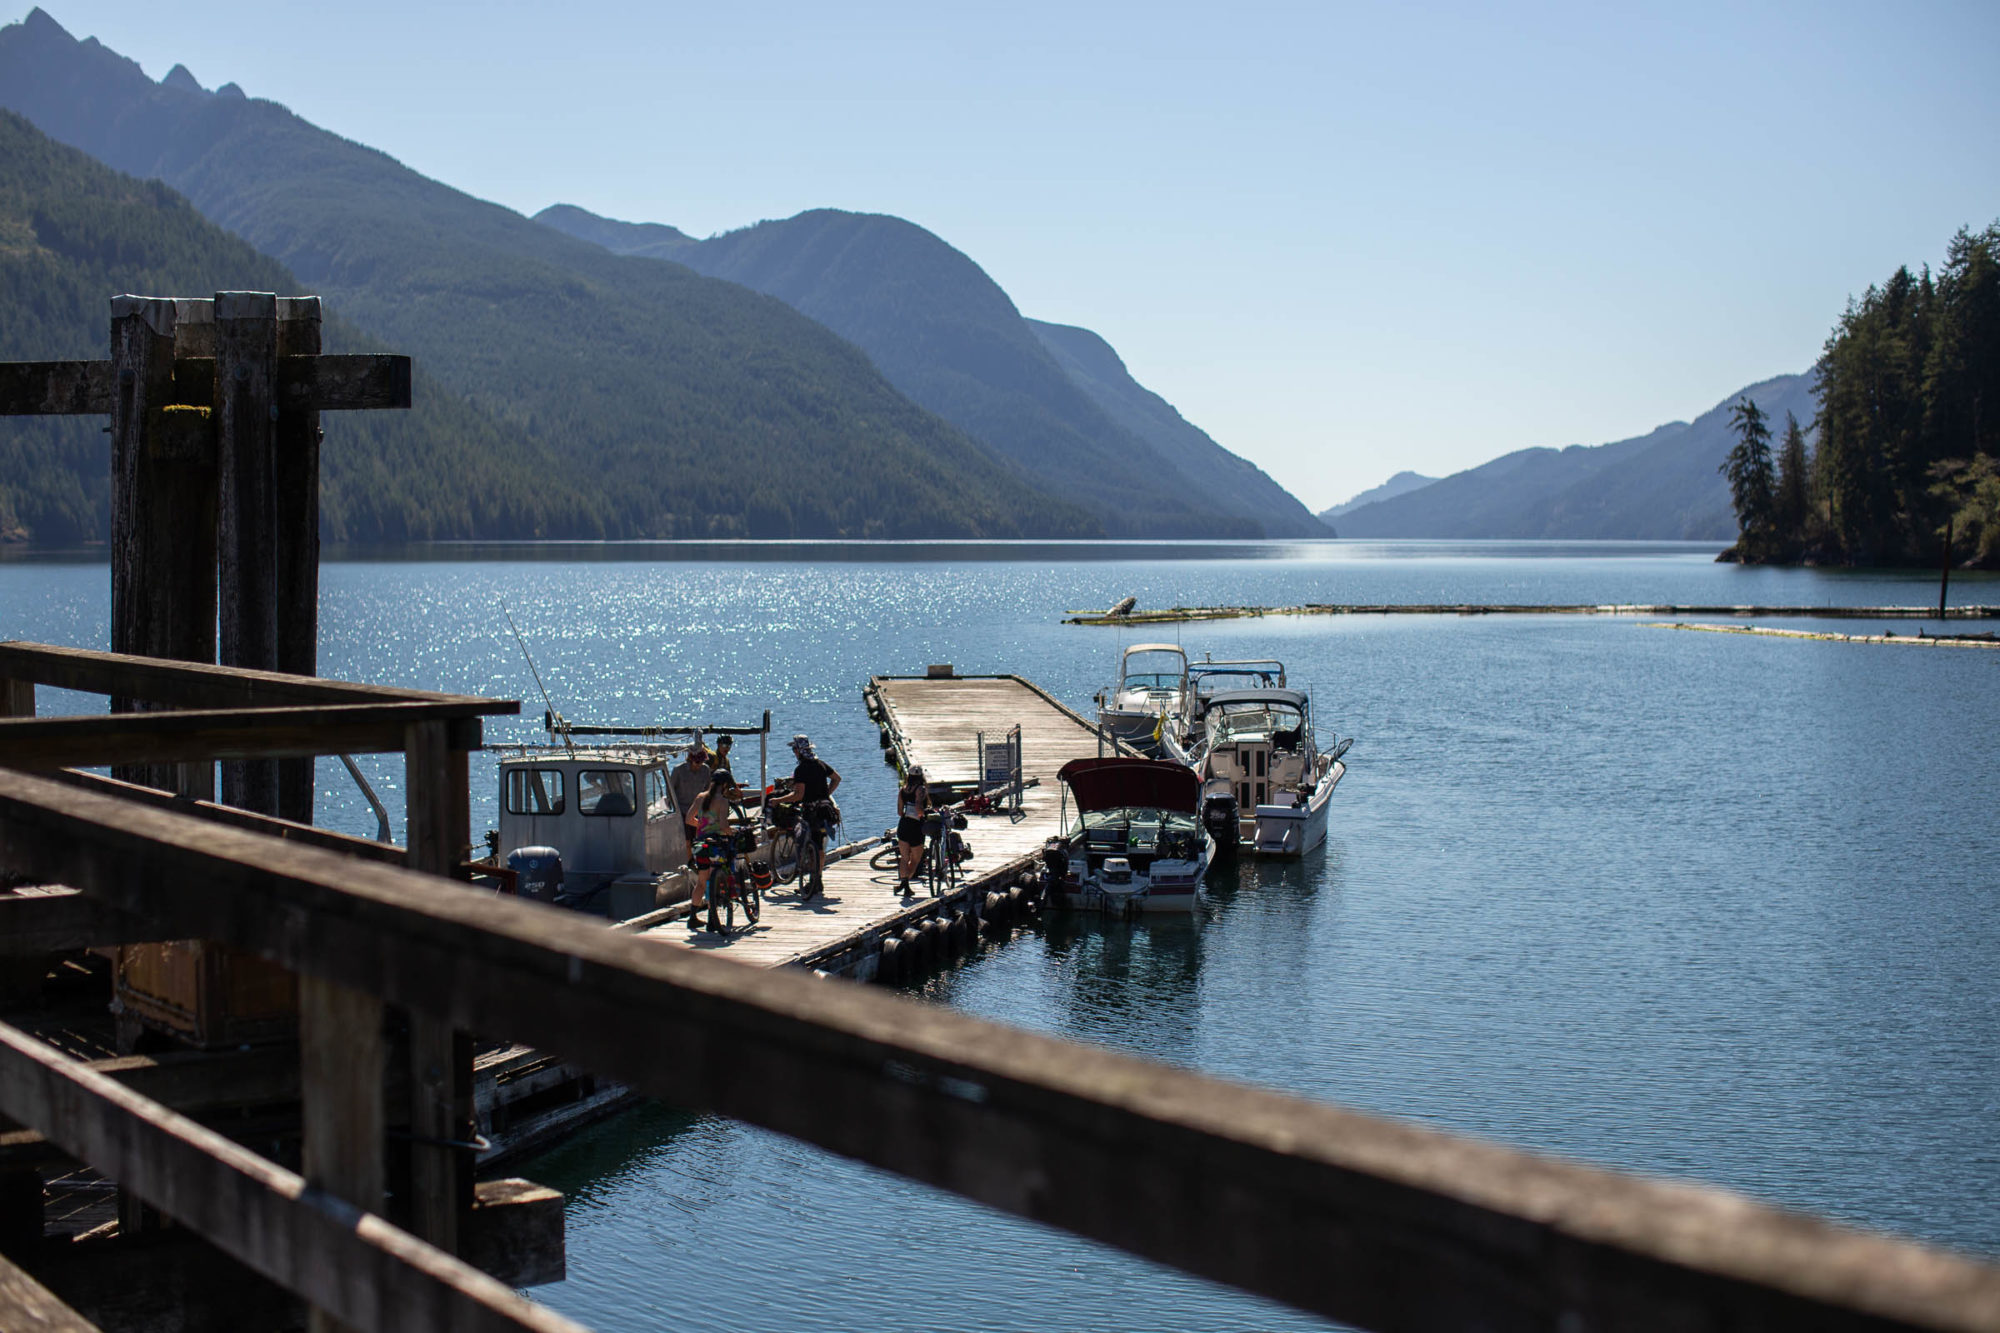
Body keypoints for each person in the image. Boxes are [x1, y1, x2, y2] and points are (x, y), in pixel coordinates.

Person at [775, 735, 840, 898]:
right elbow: (837, 779)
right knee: (819, 845)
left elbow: (798, 796)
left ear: (799, 751)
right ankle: (818, 879)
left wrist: (778, 800)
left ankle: (811, 878)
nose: (793, 752)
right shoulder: (820, 764)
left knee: (805, 843)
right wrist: (826, 793)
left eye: (794, 749)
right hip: (825, 810)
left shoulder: (801, 769)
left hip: (810, 811)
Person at [688, 770, 736, 931]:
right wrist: (731, 832)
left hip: (700, 844)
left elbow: (689, 819)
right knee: (716, 879)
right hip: (716, 845)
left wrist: (702, 827)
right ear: (724, 785)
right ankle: (712, 920)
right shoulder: (722, 801)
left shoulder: (700, 797)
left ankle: (693, 917)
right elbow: (723, 825)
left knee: (701, 882)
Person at [670, 741, 713, 866]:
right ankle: (689, 862)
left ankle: (698, 861)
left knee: (699, 839)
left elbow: (708, 790)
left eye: (701, 762)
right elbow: (670, 791)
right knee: (687, 841)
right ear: (690, 760)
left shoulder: (706, 770)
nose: (699, 765)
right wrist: (674, 809)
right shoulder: (678, 770)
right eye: (697, 762)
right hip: (682, 810)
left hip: (698, 810)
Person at [894, 765, 929, 896]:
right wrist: (923, 815)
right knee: (915, 859)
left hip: (903, 825)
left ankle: (904, 884)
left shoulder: (903, 790)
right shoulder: (921, 789)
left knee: (904, 857)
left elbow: (899, 811)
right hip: (915, 827)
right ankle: (906, 884)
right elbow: (919, 808)